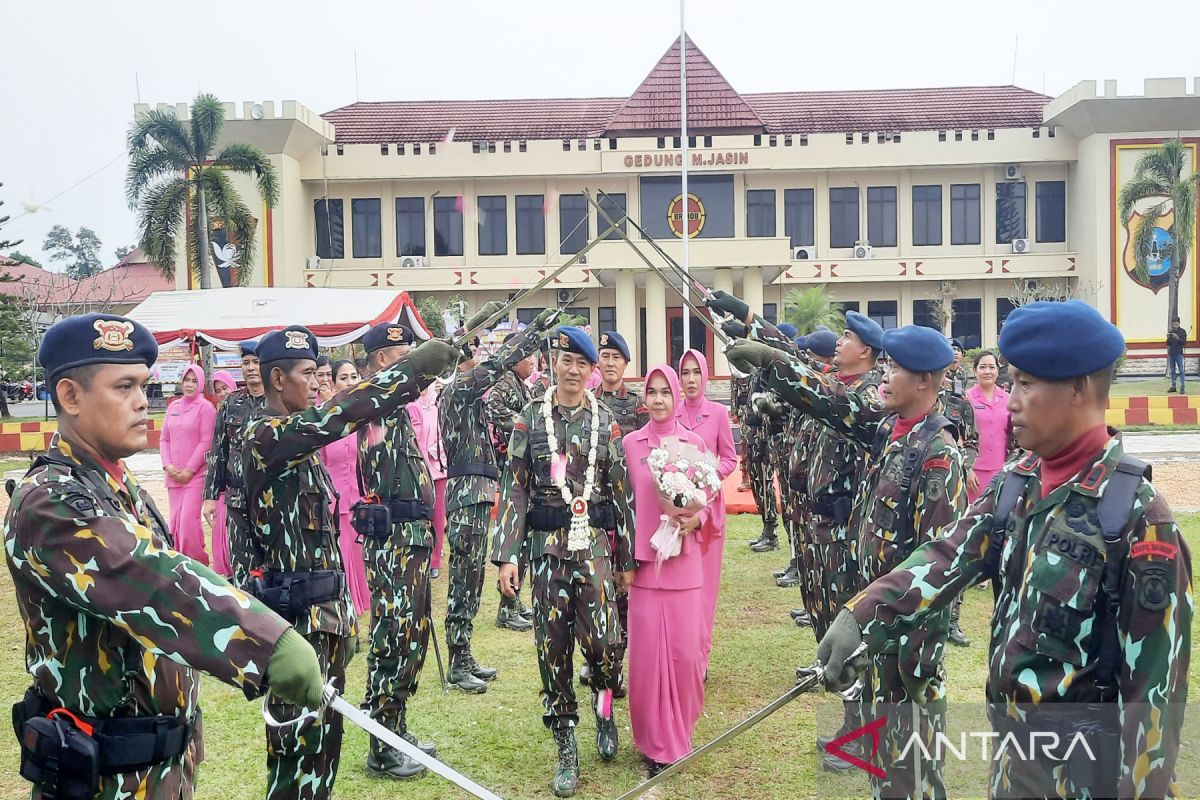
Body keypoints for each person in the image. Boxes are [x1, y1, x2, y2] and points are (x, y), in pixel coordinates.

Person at [812, 300, 1193, 799]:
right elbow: (946, 556)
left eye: (1026, 384)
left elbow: (1153, 709)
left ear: (1078, 387)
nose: (1010, 400)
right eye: (1011, 382)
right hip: (1013, 767)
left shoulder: (1138, 520)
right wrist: (863, 615)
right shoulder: (1018, 485)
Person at [7, 313, 322, 799]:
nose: (142, 402)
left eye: (145, 385)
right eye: (124, 387)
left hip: (156, 768)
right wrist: (267, 643)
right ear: (70, 396)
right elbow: (150, 577)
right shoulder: (50, 502)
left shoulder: (114, 484)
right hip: (104, 778)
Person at [728, 320, 966, 796]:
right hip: (876, 628)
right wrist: (777, 365)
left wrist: (889, 637)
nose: (885, 374)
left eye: (895, 367)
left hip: (906, 645)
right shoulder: (892, 432)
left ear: (925, 381)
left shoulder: (938, 454)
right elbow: (833, 401)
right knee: (887, 765)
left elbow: (939, 567)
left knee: (912, 767)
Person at [243, 324, 459, 799]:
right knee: (295, 753)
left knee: (323, 754)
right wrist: (415, 368)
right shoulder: (267, 436)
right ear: (278, 380)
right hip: (295, 624)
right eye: (307, 374)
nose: (318, 383)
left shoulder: (297, 443)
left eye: (319, 373)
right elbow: (344, 412)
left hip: (325, 620)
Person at [492, 326, 635, 798]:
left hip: (592, 546)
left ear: (593, 371)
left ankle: (604, 705)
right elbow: (514, 488)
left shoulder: (605, 421)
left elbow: (622, 491)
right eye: (565, 361)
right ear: (554, 361)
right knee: (552, 651)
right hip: (547, 551)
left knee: (605, 642)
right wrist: (506, 556)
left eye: (582, 364)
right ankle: (566, 744)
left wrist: (627, 559)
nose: (572, 371)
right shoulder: (529, 419)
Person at [439, 304, 560, 693]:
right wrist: (532, 334)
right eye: (471, 356)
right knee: (463, 581)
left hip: (477, 492)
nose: (478, 363)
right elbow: (500, 365)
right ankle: (458, 659)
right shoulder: (459, 392)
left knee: (472, 581)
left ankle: (465, 654)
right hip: (467, 494)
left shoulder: (465, 395)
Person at [354, 323, 444, 778]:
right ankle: (381, 746)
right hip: (392, 544)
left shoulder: (397, 409)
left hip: (413, 542)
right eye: (397, 354)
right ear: (377, 361)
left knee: (412, 637)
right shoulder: (373, 403)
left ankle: (395, 727)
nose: (405, 360)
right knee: (393, 638)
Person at [624, 365, 712, 776]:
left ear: (676, 396)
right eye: (651, 392)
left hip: (685, 565)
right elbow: (622, 508)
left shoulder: (693, 443)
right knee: (646, 661)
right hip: (644, 567)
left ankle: (680, 736)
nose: (658, 400)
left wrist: (696, 519)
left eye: (665, 392)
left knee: (684, 658)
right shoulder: (629, 444)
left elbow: (711, 503)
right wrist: (623, 560)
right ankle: (654, 744)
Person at [676, 348, 737, 663]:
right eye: (685, 373)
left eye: (695, 372)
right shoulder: (672, 413)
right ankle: (681, 654)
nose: (690, 379)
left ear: (705, 375)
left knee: (704, 591)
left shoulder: (718, 414)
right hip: (676, 511)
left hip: (709, 512)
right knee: (678, 588)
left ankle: (700, 656)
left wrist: (708, 473)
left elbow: (729, 458)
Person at [485, 330, 538, 632]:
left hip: (524, 469)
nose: (531, 360)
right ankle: (507, 606)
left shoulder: (521, 384)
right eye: (526, 354)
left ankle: (513, 600)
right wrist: (521, 425)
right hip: (513, 467)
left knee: (524, 540)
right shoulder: (505, 382)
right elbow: (492, 407)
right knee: (515, 538)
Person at [202, 340, 266, 588]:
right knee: (242, 564)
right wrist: (209, 496)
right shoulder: (231, 403)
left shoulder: (278, 402)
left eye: (256, 362)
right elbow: (219, 450)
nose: (250, 368)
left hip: (269, 499)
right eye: (246, 363)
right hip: (237, 499)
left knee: (272, 563)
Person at [320, 359, 369, 616]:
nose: (350, 382)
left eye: (354, 377)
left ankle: (365, 605)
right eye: (344, 378)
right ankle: (347, 608)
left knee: (363, 557)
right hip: (336, 501)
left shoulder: (366, 415)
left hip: (363, 500)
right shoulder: (323, 417)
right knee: (341, 557)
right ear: (333, 381)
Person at [160, 362, 217, 565]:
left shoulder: (206, 408)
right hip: (173, 475)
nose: (190, 384)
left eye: (194, 381)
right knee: (174, 523)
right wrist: (168, 465)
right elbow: (164, 439)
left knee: (187, 524)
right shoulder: (173, 407)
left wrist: (189, 470)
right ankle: (180, 563)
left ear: (201, 384)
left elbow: (206, 441)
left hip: (195, 477)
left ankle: (197, 563)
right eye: (187, 379)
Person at [409, 376, 448, 579]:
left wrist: (434, 452)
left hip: (438, 469)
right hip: (416, 470)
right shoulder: (410, 406)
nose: (423, 387)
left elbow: (445, 435)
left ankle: (435, 560)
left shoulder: (439, 405)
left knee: (438, 517)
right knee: (420, 514)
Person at [966, 351, 1014, 502]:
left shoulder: (1008, 399)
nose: (987, 371)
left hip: (1001, 469)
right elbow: (960, 437)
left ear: (997, 371)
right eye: (983, 367)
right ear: (975, 370)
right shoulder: (966, 398)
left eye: (992, 367)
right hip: (974, 473)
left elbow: (1015, 435)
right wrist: (966, 469)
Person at [208, 369, 238, 577]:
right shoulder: (219, 413)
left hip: (240, 484)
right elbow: (216, 452)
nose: (222, 393)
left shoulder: (243, 409)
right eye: (218, 390)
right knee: (220, 532)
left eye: (225, 388)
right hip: (222, 485)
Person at [595, 331, 649, 436]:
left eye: (616, 357)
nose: (610, 363)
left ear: (625, 363)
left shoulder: (636, 403)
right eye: (605, 356)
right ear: (598, 362)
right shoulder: (587, 400)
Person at [1167, 315, 1187, 393]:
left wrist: (1177, 337)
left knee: (1181, 370)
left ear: (1179, 323)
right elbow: (1168, 343)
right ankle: (1173, 386)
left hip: (1179, 353)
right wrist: (1168, 337)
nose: (1174, 325)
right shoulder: (1171, 331)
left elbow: (1184, 342)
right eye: (1173, 324)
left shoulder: (1182, 331)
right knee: (1172, 370)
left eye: (1176, 324)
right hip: (1171, 353)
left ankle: (1182, 386)